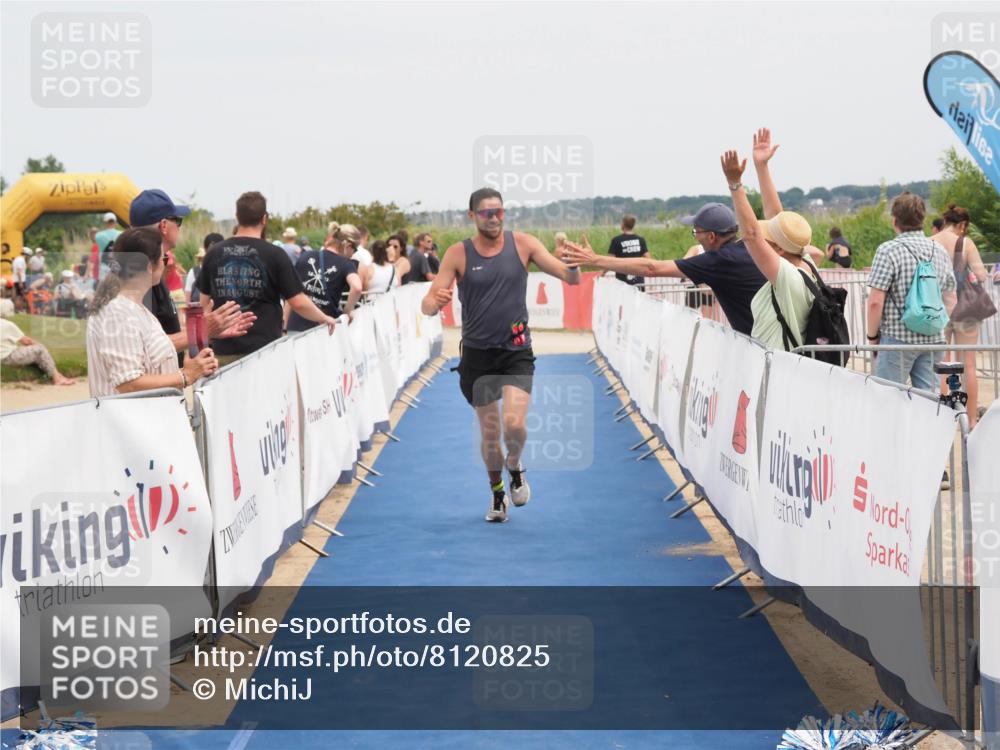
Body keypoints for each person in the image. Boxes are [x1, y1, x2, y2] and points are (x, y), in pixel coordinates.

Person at [421, 187, 581, 523]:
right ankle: (497, 496)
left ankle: (515, 465)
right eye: (485, 213)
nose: (493, 218)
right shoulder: (457, 253)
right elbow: (428, 301)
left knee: (514, 426)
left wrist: (573, 263)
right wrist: (432, 304)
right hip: (477, 357)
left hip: (516, 351)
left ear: (504, 213)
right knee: (491, 434)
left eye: (498, 212)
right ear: (472, 216)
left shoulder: (523, 244)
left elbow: (570, 278)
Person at [563, 201, 766, 335]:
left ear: (712, 237)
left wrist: (595, 259)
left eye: (696, 232)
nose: (695, 236)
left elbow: (652, 268)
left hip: (763, 343)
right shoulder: (749, 247)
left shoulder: (718, 260)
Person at [198, 191, 339, 364]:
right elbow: (298, 302)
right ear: (264, 219)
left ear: (237, 217)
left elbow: (203, 304)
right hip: (264, 352)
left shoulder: (213, 253)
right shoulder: (274, 254)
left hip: (224, 351)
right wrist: (323, 317)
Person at [86, 228, 218, 397]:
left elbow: (147, 358)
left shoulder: (134, 308)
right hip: (130, 422)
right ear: (150, 266)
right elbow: (128, 383)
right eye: (164, 257)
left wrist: (193, 364)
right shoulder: (117, 313)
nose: (166, 263)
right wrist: (185, 375)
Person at [130, 188, 255, 366]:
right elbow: (145, 347)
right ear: (164, 226)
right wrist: (202, 331)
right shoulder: (139, 277)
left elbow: (161, 332)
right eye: (178, 221)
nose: (180, 228)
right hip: (154, 389)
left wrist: (210, 330)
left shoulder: (147, 270)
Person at [720, 149, 819, 350]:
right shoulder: (804, 260)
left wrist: (735, 185)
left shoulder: (787, 277)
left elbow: (751, 236)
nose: (762, 242)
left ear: (779, 249)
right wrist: (762, 167)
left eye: (768, 240)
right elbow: (778, 218)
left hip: (778, 369)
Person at [866, 191, 957, 391]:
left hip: (898, 339)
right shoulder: (939, 251)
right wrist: (934, 324)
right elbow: (950, 299)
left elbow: (875, 301)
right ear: (922, 219)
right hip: (933, 338)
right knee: (928, 403)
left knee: (886, 399)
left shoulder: (888, 250)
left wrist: (872, 337)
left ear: (894, 220)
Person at [932, 203, 990, 428]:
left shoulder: (931, 242)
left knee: (942, 363)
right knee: (969, 365)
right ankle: (972, 419)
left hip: (939, 309)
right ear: (963, 224)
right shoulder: (965, 243)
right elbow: (981, 275)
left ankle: (943, 418)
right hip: (965, 310)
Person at [287, 224, 363, 332]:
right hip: (324, 328)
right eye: (355, 250)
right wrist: (348, 310)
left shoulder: (306, 255)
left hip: (296, 325)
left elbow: (290, 294)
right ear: (349, 246)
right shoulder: (346, 264)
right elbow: (357, 287)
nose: (353, 254)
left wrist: (284, 326)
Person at [1, 307, 74, 385]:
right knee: (40, 349)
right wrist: (40, 345)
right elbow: (26, 341)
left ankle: (57, 375)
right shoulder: (7, 324)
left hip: (3, 357)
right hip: (8, 357)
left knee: (34, 353)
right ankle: (57, 378)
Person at [607, 214, 649, 286]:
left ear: (623, 224)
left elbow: (609, 261)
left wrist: (602, 274)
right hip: (639, 280)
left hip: (622, 282)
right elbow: (648, 259)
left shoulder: (616, 240)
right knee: (639, 297)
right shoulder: (640, 240)